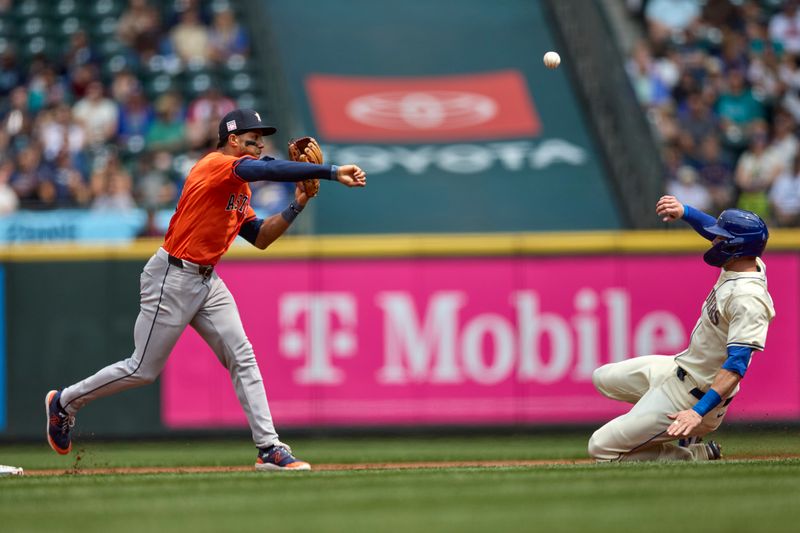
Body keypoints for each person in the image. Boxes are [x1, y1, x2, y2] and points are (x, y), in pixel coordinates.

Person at [45, 108, 367, 471]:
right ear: (232, 140)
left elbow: (260, 237)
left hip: (206, 280)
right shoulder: (215, 165)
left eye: (261, 137)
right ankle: (65, 403)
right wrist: (331, 172)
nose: (259, 143)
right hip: (172, 275)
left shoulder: (239, 188)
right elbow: (265, 169)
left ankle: (270, 448)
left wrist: (299, 203)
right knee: (142, 369)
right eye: (252, 137)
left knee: (242, 355)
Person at [588, 195, 774, 462]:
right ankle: (659, 423)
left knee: (600, 447)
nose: (713, 239)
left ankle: (692, 454)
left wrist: (697, 412)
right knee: (602, 378)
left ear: (736, 246)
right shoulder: (745, 262)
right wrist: (685, 211)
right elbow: (714, 227)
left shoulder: (748, 298)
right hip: (677, 367)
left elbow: (736, 367)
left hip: (694, 395)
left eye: (720, 238)